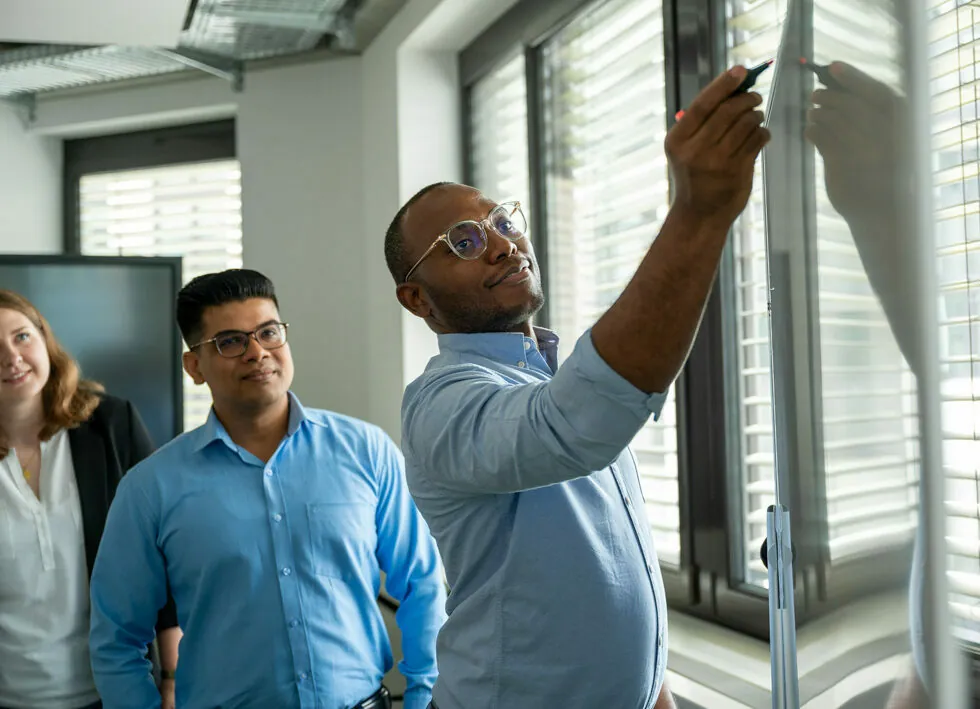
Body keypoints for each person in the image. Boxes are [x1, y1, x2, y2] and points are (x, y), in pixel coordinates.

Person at [384, 65, 770, 709]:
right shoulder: (439, 404)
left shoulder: (550, 373)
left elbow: (605, 560)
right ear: (417, 297)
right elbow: (570, 426)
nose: (504, 246)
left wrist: (654, 686)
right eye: (465, 242)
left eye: (503, 222)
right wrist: (699, 212)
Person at [89, 269, 446, 709]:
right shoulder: (150, 488)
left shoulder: (366, 450)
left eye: (268, 332)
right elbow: (116, 638)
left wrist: (424, 696)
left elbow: (422, 583)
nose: (257, 352)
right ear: (195, 366)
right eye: (230, 341)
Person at [0, 290, 180, 709]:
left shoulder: (111, 425)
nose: (11, 357)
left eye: (22, 336)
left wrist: (172, 676)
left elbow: (165, 555)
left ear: (46, 340)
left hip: (118, 692)